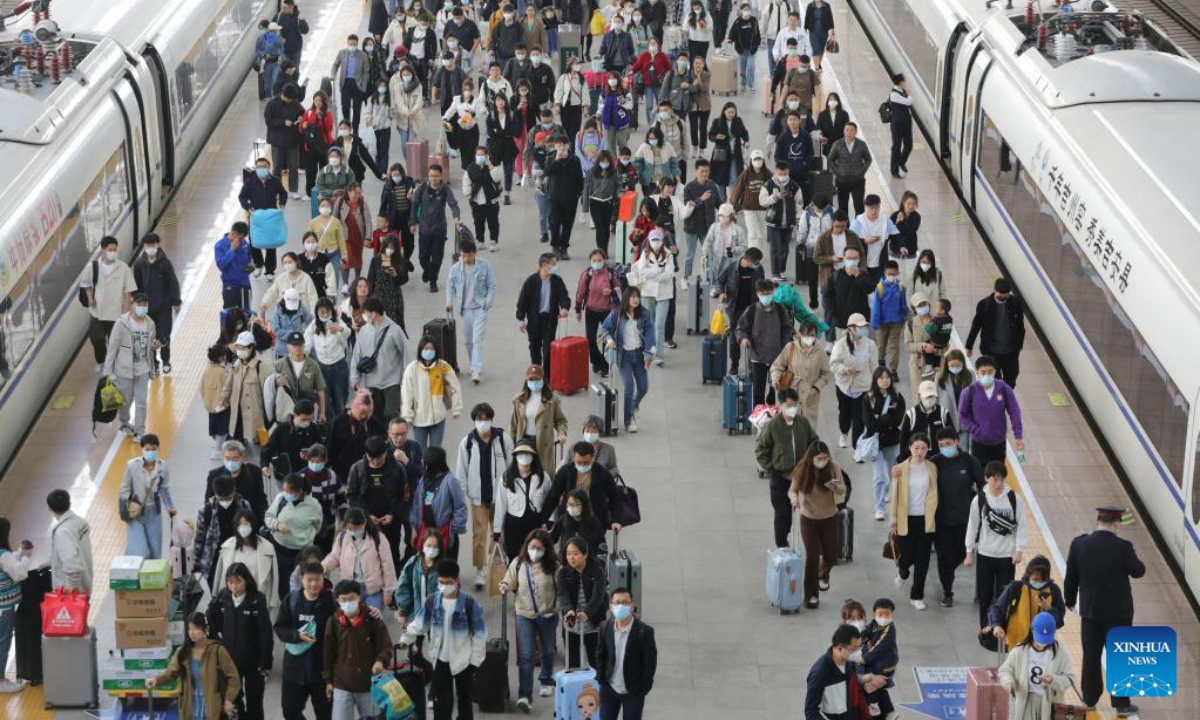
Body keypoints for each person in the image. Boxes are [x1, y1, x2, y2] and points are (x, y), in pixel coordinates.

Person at [1065, 504, 1145, 716]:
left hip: (1090, 612)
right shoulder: (1123, 547)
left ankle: (1089, 699)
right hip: (1119, 614)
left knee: (1091, 655)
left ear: (1097, 522)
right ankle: (1121, 704)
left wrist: (1069, 600)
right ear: (1117, 524)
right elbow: (1138, 571)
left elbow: (1070, 576)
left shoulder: (1079, 544)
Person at [398, 560, 487, 720]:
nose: (444, 586)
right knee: (441, 705)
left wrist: (475, 661)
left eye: (448, 583)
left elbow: (480, 635)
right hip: (440, 660)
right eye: (441, 582)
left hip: (464, 661)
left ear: (457, 581)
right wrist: (406, 639)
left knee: (465, 704)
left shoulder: (470, 604)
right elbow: (419, 624)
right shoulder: (432, 601)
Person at [451, 403, 513, 588]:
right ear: (474, 420)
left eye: (486, 419)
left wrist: (510, 491)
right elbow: (461, 472)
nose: (483, 422)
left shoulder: (503, 439)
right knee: (479, 536)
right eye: (479, 419)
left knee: (498, 534)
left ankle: (498, 569)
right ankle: (480, 570)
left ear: (491, 420)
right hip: (478, 498)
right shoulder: (467, 443)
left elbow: (512, 466)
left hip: (500, 497)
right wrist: (461, 497)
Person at [496, 529, 558, 710]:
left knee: (547, 650)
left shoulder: (553, 566)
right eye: (532, 547)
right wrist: (504, 586)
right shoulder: (518, 563)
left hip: (547, 615)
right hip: (524, 615)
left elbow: (560, 590)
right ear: (526, 546)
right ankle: (525, 695)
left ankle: (546, 679)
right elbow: (509, 580)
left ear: (546, 549)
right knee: (526, 655)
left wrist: (558, 609)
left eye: (539, 548)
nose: (535, 551)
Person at [965, 461, 1028, 632]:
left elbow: (1022, 525)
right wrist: (969, 552)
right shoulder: (980, 499)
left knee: (1005, 594)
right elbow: (972, 525)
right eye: (994, 479)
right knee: (984, 594)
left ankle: (1002, 626)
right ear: (986, 479)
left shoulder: (1014, 499)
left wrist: (1019, 550)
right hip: (985, 553)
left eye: (1001, 479)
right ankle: (985, 626)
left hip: (1007, 555)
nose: (999, 484)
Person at [206, 563, 273, 720]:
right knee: (233, 700)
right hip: (230, 661)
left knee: (255, 702)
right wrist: (217, 638)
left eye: (238, 581)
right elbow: (210, 615)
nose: (234, 586)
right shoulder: (223, 596)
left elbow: (265, 633)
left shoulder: (257, 600)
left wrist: (266, 663)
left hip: (253, 662)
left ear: (247, 581)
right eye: (230, 582)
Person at [925, 428, 982, 608]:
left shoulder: (969, 461)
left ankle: (947, 573)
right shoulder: (934, 462)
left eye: (948, 444)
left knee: (959, 553)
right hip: (941, 520)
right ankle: (947, 591)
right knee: (943, 556)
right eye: (941, 446)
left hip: (964, 520)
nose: (945, 448)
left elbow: (982, 484)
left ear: (957, 442)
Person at [146, 613, 241, 720]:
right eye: (189, 629)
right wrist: (156, 680)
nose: (191, 633)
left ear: (207, 629)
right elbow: (170, 674)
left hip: (212, 708)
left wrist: (228, 699)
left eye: (196, 628)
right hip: (190, 706)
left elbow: (234, 677)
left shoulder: (218, 651)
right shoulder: (183, 652)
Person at [275, 561, 337, 720]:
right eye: (309, 579)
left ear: (323, 579)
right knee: (290, 712)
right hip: (294, 670)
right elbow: (280, 627)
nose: (314, 584)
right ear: (301, 579)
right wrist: (296, 636)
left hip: (322, 672)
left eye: (318, 579)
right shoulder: (292, 600)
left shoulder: (330, 601)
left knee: (325, 715)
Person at [323, 579, 392, 720]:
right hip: (341, 683)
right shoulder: (333, 622)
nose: (348, 603)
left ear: (359, 597)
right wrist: (328, 680)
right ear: (338, 601)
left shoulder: (373, 619)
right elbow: (328, 653)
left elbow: (386, 646)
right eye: (344, 599)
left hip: (369, 684)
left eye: (351, 598)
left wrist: (380, 660)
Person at [888, 433, 938, 611]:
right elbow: (894, 496)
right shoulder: (900, 469)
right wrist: (893, 521)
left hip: (926, 520)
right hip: (905, 520)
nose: (920, 451)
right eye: (916, 447)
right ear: (910, 448)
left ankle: (917, 596)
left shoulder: (932, 467)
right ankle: (903, 571)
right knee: (906, 556)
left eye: (924, 448)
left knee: (923, 561)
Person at [597, 288, 656, 433]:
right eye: (633, 297)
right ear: (626, 298)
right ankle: (629, 421)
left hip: (639, 355)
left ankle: (633, 405)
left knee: (643, 387)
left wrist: (648, 354)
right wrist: (610, 340)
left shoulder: (644, 314)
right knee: (629, 387)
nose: (636, 300)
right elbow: (604, 329)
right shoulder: (617, 314)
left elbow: (650, 334)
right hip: (623, 357)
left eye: (638, 297)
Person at [998, 613, 1078, 720]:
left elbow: (1070, 678)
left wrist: (1054, 680)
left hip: (1050, 705)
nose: (1042, 643)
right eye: (1040, 637)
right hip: (1025, 702)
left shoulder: (1060, 652)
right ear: (1032, 630)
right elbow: (1005, 670)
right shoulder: (1020, 650)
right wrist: (1009, 682)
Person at [595, 586, 657, 719]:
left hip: (633, 691)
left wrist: (643, 688)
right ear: (611, 606)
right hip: (609, 689)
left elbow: (650, 663)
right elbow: (601, 654)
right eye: (617, 603)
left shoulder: (644, 632)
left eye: (625, 602)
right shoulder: (604, 627)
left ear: (632, 606)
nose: (621, 606)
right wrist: (601, 678)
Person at [103, 293, 158, 439]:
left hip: (143, 368)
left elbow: (150, 345)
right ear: (132, 305)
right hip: (124, 369)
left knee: (141, 402)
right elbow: (112, 348)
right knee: (125, 400)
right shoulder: (121, 324)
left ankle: (140, 431)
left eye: (144, 305)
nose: (142, 307)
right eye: (139, 304)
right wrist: (108, 372)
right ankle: (124, 422)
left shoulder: (150, 323)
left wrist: (155, 345)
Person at [444, 240, 498, 385]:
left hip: (480, 308)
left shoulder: (484, 266)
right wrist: (449, 302)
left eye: (468, 256)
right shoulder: (455, 269)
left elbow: (492, 286)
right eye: (463, 256)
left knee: (477, 339)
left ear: (475, 253)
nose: (466, 259)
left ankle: (476, 370)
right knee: (468, 341)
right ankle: (473, 364)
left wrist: (487, 303)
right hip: (465, 309)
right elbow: (449, 286)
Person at [82, 236, 137, 373]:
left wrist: (125, 313)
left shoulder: (123, 268)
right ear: (103, 250)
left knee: (115, 342)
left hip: (115, 313)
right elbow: (86, 284)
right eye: (110, 250)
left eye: (115, 250)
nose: (113, 252)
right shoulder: (93, 267)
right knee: (96, 338)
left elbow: (128, 292)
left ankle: (112, 366)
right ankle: (100, 361)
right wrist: (90, 298)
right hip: (97, 312)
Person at [266, 475, 326, 601]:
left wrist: (304, 536)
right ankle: (287, 606)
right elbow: (268, 517)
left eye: (289, 492)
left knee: (303, 583)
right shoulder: (281, 498)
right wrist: (277, 525)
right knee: (284, 583)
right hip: (281, 550)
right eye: (284, 490)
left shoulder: (314, 506)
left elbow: (317, 526)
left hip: (303, 552)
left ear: (300, 491)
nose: (286, 494)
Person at [349, 298, 410, 422]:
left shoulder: (394, 330)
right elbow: (356, 355)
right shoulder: (364, 331)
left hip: (392, 382)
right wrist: (354, 378)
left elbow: (406, 354)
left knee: (390, 414)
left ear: (374, 314)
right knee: (374, 417)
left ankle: (392, 439)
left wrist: (406, 379)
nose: (364, 316)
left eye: (366, 312)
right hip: (371, 383)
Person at [988, 555, 1066, 651]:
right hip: (1016, 643)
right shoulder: (1016, 588)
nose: (1039, 582)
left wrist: (1049, 609)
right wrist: (997, 625)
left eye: (1042, 580)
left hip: (1042, 644)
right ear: (1028, 575)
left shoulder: (1053, 590)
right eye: (1035, 579)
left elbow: (1059, 621)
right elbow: (997, 608)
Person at [958, 354, 1024, 467]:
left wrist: (1018, 436)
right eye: (983, 372)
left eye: (990, 372)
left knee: (998, 476)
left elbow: (1014, 411)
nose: (986, 375)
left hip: (999, 442)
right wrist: (975, 430)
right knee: (980, 478)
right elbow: (962, 416)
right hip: (978, 444)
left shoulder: (1003, 388)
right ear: (977, 373)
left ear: (995, 372)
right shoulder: (968, 392)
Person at [212, 510, 280, 618]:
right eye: (239, 524)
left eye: (245, 524)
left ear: (252, 524)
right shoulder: (227, 547)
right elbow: (219, 577)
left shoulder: (267, 547)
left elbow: (275, 577)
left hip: (259, 601)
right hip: (233, 601)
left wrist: (273, 601)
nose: (242, 527)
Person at [804, 625, 880, 720]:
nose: (859, 653)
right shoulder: (819, 673)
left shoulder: (850, 664)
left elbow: (856, 694)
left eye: (859, 648)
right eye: (854, 649)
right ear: (840, 648)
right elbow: (811, 711)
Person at [735, 280, 792, 407]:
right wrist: (743, 339)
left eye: (769, 293)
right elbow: (740, 328)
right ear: (757, 294)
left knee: (774, 389)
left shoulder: (780, 309)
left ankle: (771, 414)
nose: (766, 296)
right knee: (758, 391)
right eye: (763, 293)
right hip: (757, 358)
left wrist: (783, 345)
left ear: (773, 293)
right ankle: (759, 418)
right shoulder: (751, 310)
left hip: (776, 358)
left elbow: (787, 329)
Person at [492, 441, 552, 560]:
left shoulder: (543, 477)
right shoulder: (507, 477)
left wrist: (549, 523)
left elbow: (550, 502)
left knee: (535, 558)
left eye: (527, 453)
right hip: (513, 525)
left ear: (534, 456)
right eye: (520, 453)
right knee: (514, 558)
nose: (524, 456)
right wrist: (497, 530)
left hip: (535, 525)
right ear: (515, 456)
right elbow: (501, 505)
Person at [400, 334, 463, 449]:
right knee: (421, 452)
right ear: (420, 350)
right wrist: (407, 416)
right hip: (419, 420)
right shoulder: (412, 368)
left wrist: (456, 408)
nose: (429, 351)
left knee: (436, 451)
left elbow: (456, 387)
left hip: (438, 418)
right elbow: (406, 393)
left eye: (432, 349)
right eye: (426, 348)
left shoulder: (442, 366)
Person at [131, 235, 182, 374]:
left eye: (152, 244)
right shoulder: (140, 264)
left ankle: (166, 360)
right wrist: (137, 303)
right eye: (147, 245)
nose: (150, 247)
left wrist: (176, 301)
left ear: (158, 244)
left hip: (164, 307)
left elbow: (173, 283)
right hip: (147, 309)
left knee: (164, 335)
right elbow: (136, 286)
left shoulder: (165, 263)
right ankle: (154, 363)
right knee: (150, 337)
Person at [119, 434, 175, 560]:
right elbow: (125, 488)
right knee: (139, 550)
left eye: (154, 449)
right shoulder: (132, 466)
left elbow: (164, 488)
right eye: (147, 449)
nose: (150, 452)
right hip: (135, 513)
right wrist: (125, 507)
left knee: (155, 550)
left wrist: (170, 506)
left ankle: (152, 577)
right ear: (142, 449)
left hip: (154, 513)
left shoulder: (163, 467)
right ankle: (133, 573)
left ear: (158, 449)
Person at [516, 253, 571, 379]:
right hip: (534, 320)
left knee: (548, 349)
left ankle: (547, 376)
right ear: (544, 265)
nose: (556, 266)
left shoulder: (557, 281)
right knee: (534, 348)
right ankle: (536, 374)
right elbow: (522, 302)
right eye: (554, 264)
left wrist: (564, 307)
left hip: (550, 320)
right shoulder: (531, 281)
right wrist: (521, 319)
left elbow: (564, 296)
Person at [965, 278, 1026, 387]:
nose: (1003, 296)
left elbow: (1020, 326)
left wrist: (1019, 345)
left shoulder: (1016, 303)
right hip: (991, 351)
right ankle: (999, 401)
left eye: (1005, 294)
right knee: (995, 381)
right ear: (994, 290)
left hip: (1011, 351)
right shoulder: (984, 305)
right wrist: (969, 346)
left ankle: (1006, 396)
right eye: (1000, 294)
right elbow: (976, 325)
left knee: (1011, 379)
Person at [557, 537, 607, 668]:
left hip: (594, 623)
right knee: (573, 663)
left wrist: (587, 612)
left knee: (597, 662)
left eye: (575, 554)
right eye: (568, 554)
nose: (571, 558)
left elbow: (598, 595)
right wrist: (568, 610)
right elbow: (563, 595)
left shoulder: (597, 570)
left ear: (585, 554)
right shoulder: (563, 573)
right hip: (572, 624)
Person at [411, 164, 463, 292]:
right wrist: (412, 223)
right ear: (428, 176)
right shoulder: (422, 188)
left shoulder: (445, 189)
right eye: (431, 176)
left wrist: (456, 217)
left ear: (441, 176)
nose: (433, 179)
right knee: (422, 257)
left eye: (436, 176)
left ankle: (433, 281)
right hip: (424, 229)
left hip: (439, 230)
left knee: (437, 258)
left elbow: (454, 205)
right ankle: (427, 271)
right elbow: (414, 205)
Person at [769, 322, 832, 427]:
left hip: (810, 397)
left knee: (808, 430)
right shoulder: (790, 347)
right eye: (807, 335)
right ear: (800, 334)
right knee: (789, 428)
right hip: (791, 394)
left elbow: (827, 373)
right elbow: (777, 366)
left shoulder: (820, 351)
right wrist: (775, 379)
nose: (810, 338)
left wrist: (816, 388)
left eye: (813, 335)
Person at [508, 364, 568, 473]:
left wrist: (561, 433)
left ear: (543, 379)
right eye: (531, 379)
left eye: (537, 379)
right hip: (523, 441)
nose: (534, 382)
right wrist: (509, 444)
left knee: (542, 473)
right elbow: (513, 425)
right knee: (524, 472)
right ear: (526, 381)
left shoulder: (552, 400)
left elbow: (561, 420)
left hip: (543, 441)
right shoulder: (519, 399)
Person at [549, 442, 622, 531]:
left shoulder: (603, 473)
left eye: (586, 462)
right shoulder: (565, 471)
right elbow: (553, 496)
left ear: (593, 458)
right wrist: (544, 520)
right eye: (579, 462)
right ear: (574, 457)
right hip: (569, 518)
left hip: (595, 520)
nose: (582, 465)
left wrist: (616, 520)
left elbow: (614, 497)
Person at [576, 250, 625, 378]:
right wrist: (577, 309)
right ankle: (597, 361)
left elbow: (620, 289)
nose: (596, 263)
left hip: (607, 311)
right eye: (594, 260)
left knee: (606, 338)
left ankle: (605, 366)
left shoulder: (610, 273)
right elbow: (580, 291)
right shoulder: (587, 274)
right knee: (590, 338)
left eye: (599, 260)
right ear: (590, 261)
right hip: (591, 310)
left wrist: (611, 291)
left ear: (604, 260)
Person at [629, 234, 675, 368]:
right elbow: (643, 271)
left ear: (662, 241)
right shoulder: (645, 253)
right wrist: (658, 271)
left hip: (664, 294)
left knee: (659, 325)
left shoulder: (668, 255)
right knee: (647, 324)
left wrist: (654, 274)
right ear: (649, 241)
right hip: (648, 292)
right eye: (653, 240)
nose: (655, 243)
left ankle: (659, 356)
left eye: (658, 240)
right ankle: (647, 353)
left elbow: (669, 275)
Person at [239, 157, 288, 278]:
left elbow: (283, 193)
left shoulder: (275, 181)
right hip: (256, 217)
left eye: (264, 166)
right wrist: (249, 207)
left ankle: (270, 270)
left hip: (271, 217)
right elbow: (242, 196)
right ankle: (258, 263)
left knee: (271, 243)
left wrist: (281, 203)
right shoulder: (250, 182)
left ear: (269, 168)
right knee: (254, 241)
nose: (261, 169)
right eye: (259, 166)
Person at [218, 331, 270, 447]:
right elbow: (228, 384)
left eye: (243, 347)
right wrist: (223, 399)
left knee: (264, 440)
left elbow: (267, 393)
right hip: (238, 409)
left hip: (257, 411)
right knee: (236, 438)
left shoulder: (260, 367)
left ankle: (267, 454)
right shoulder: (236, 364)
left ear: (251, 347)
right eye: (238, 347)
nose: (240, 350)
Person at [305, 299, 353, 416]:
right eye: (322, 312)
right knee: (324, 404)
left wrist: (340, 329)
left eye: (328, 312)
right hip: (322, 367)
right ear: (317, 313)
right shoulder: (314, 325)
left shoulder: (337, 322)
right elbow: (306, 342)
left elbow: (348, 332)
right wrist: (304, 357)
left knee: (340, 402)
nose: (325, 315)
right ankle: (328, 429)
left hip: (339, 366)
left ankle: (341, 428)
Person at [0, 517, 31, 693]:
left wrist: (19, 552)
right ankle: (0, 681)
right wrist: (25, 557)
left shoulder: (5, 556)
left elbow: (8, 564)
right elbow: (19, 574)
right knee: (3, 642)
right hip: (3, 608)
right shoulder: (3, 554)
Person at [206, 441, 270, 522]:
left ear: (242, 457)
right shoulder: (214, 475)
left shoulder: (254, 472)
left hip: (248, 521)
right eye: (227, 458)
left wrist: (264, 518)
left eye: (235, 458)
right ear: (223, 457)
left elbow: (260, 498)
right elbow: (208, 500)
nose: (231, 462)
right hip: (224, 522)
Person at [394, 531, 443, 628]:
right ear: (423, 546)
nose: (431, 549)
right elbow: (403, 588)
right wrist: (403, 612)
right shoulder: (413, 564)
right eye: (429, 545)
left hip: (437, 621)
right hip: (414, 617)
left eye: (435, 546)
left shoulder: (444, 568)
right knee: (411, 641)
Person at [266, 83, 306, 199]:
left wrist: (300, 117)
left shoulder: (295, 103)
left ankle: (293, 190)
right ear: (283, 94)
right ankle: (277, 191)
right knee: (277, 166)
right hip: (277, 140)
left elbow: (302, 112)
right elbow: (269, 121)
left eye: (292, 99)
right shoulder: (272, 104)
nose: (290, 101)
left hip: (293, 140)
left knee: (293, 166)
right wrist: (283, 122)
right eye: (289, 99)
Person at [898, 380, 955, 461]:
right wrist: (903, 460)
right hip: (917, 458)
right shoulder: (911, 414)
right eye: (927, 396)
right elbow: (903, 439)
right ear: (920, 396)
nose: (930, 399)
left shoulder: (943, 412)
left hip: (940, 457)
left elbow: (952, 435)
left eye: (932, 396)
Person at [463, 146, 505, 253]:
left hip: (492, 200)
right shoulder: (471, 168)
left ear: (487, 156)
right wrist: (468, 195)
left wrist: (490, 165)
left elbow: (498, 178)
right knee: (478, 221)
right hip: (477, 201)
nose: (480, 157)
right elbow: (466, 182)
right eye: (478, 155)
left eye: (482, 155)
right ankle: (479, 241)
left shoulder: (493, 166)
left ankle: (493, 242)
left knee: (493, 222)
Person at [824, 246, 872, 335]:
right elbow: (827, 295)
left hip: (860, 323)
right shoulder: (836, 276)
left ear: (859, 259)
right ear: (844, 259)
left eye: (855, 258)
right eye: (849, 258)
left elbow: (869, 289)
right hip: (841, 323)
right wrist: (832, 311)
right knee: (842, 347)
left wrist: (858, 275)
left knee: (861, 347)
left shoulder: (864, 275)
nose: (852, 261)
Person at [870, 261, 908, 374]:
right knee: (881, 345)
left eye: (894, 274)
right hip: (882, 323)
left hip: (896, 322)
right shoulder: (880, 288)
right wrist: (875, 323)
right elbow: (876, 306)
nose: (891, 276)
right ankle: (881, 364)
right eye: (889, 274)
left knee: (893, 347)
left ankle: (893, 370)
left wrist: (905, 316)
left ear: (898, 273)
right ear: (885, 273)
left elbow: (903, 304)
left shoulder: (900, 287)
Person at [827, 122, 872, 216]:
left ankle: (858, 229)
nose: (849, 132)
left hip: (858, 181)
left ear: (855, 132)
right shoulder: (837, 144)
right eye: (847, 130)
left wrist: (861, 171)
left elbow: (868, 159)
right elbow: (830, 160)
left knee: (859, 206)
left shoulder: (861, 144)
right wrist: (837, 172)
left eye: (852, 130)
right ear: (844, 131)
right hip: (842, 181)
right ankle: (845, 228)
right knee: (843, 207)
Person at [331, 34, 370, 131]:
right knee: (345, 106)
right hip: (346, 83)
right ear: (347, 43)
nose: (352, 46)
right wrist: (333, 74)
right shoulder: (342, 53)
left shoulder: (363, 55)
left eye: (354, 44)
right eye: (350, 44)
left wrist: (363, 86)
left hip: (358, 84)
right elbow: (335, 65)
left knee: (357, 109)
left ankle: (355, 129)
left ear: (357, 44)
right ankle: (346, 126)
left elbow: (366, 71)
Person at [629, 39, 671, 124]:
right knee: (649, 106)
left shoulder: (662, 55)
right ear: (648, 45)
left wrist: (665, 75)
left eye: (654, 43)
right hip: (648, 85)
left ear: (658, 45)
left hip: (659, 85)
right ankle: (650, 123)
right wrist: (631, 71)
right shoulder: (644, 55)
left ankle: (659, 122)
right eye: (651, 43)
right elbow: (637, 65)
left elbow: (669, 67)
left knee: (661, 104)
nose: (653, 45)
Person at [215, 222, 255, 311]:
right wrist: (231, 249)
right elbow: (221, 265)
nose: (241, 240)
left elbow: (249, 258)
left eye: (243, 238)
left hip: (245, 284)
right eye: (240, 238)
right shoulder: (220, 245)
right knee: (230, 315)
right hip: (230, 285)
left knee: (246, 313)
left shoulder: (244, 243)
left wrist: (251, 265)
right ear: (233, 233)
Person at [888, 74, 914, 178]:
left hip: (906, 123)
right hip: (897, 124)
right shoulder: (894, 94)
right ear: (901, 82)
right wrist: (910, 94)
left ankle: (901, 162)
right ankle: (894, 171)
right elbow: (909, 102)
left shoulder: (902, 91)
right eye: (904, 80)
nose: (905, 82)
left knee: (909, 144)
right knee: (896, 147)